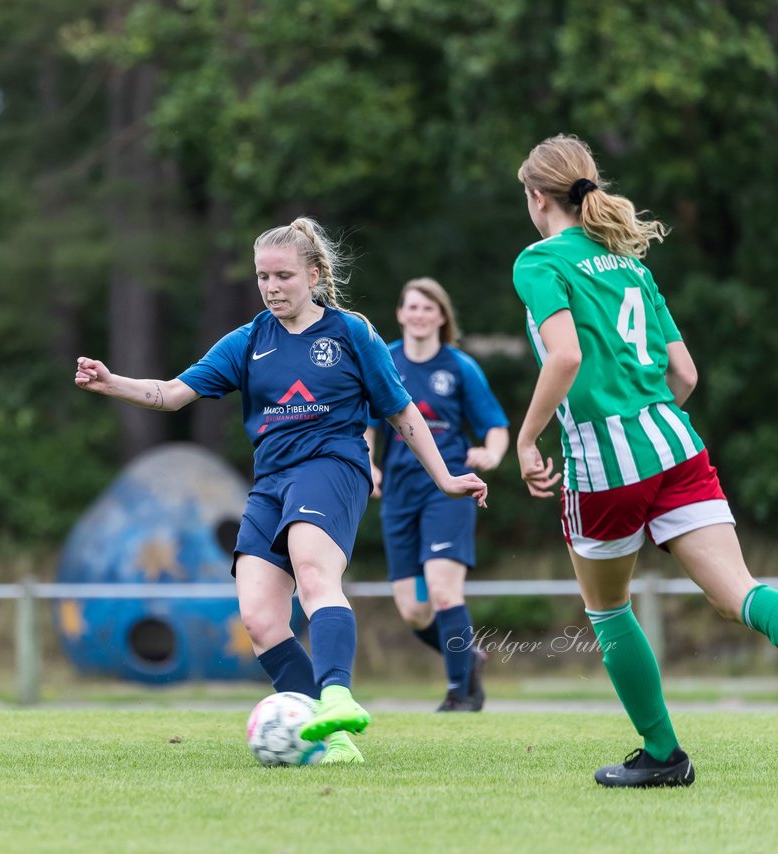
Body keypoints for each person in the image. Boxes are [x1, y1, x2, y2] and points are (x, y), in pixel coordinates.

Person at [76, 217, 488, 764]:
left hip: (333, 466)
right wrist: (113, 382)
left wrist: (444, 476)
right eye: (263, 277)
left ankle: (338, 696)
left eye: (284, 276)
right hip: (271, 482)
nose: (271, 287)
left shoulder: (351, 333)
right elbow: (172, 394)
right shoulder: (248, 341)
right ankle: (334, 734)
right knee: (260, 618)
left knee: (314, 573)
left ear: (314, 275)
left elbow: (400, 411)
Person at [512, 135, 778, 788]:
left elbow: (565, 358)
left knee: (609, 611)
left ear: (536, 197)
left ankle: (664, 754)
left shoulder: (539, 261)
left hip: (607, 467)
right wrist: (646, 413)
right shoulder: (629, 261)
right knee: (740, 592)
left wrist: (528, 440)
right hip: (677, 445)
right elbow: (685, 374)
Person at [364, 278, 508, 712]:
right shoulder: (383, 361)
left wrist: (492, 453)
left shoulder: (460, 367)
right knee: (413, 611)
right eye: (412, 307)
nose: (420, 315)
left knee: (445, 592)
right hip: (400, 492)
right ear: (400, 314)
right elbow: (369, 423)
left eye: (429, 308)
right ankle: (469, 659)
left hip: (449, 490)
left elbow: (494, 425)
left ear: (442, 317)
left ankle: (458, 694)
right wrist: (368, 463)